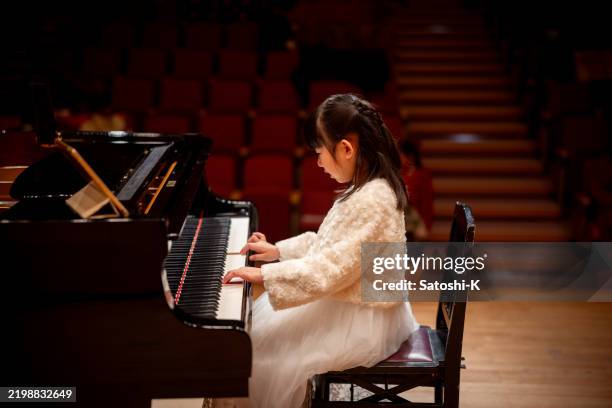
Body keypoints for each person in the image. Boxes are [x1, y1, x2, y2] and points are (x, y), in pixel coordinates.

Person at [223, 94, 420, 407]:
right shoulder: (367, 187)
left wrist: (264, 274)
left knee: (257, 361)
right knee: (253, 343)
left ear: (345, 149)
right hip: (354, 303)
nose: (318, 163)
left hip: (363, 321)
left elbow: (330, 270)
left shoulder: (373, 199)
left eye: (319, 153)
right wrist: (277, 252)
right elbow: (330, 245)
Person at [399, 140, 434, 240]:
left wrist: (426, 224)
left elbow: (427, 201)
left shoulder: (422, 175)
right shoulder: (399, 173)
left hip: (415, 221)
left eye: (401, 154)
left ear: (409, 156)